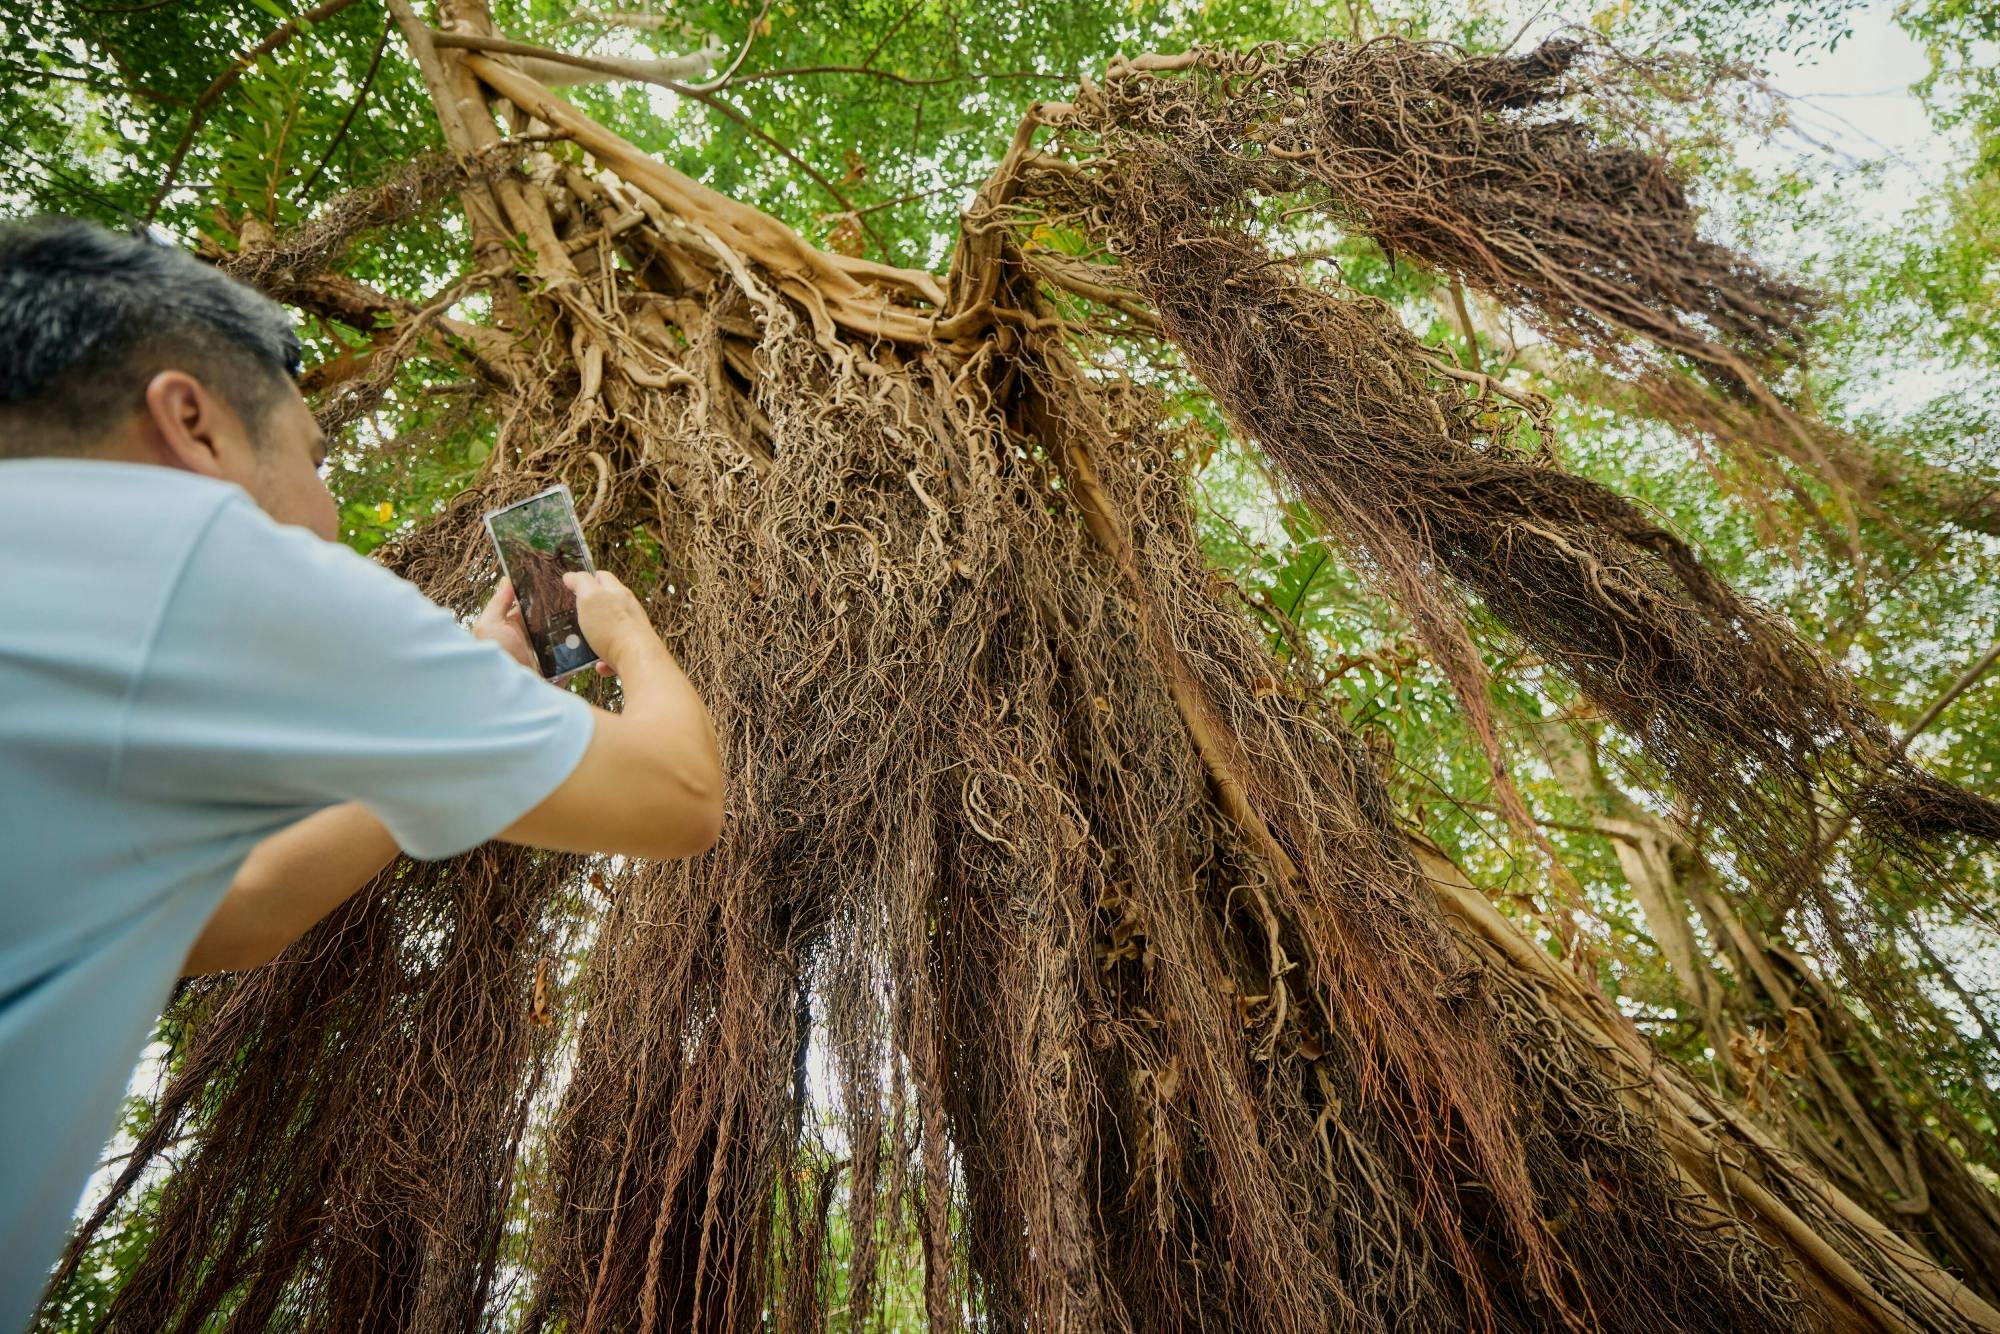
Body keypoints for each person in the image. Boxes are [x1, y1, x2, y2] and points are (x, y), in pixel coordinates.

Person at [0, 217, 724, 1323]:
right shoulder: (195, 548)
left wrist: (438, 749)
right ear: (190, 421)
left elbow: (235, 918)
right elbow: (677, 798)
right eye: (310, 458)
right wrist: (621, 629)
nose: (329, 515)